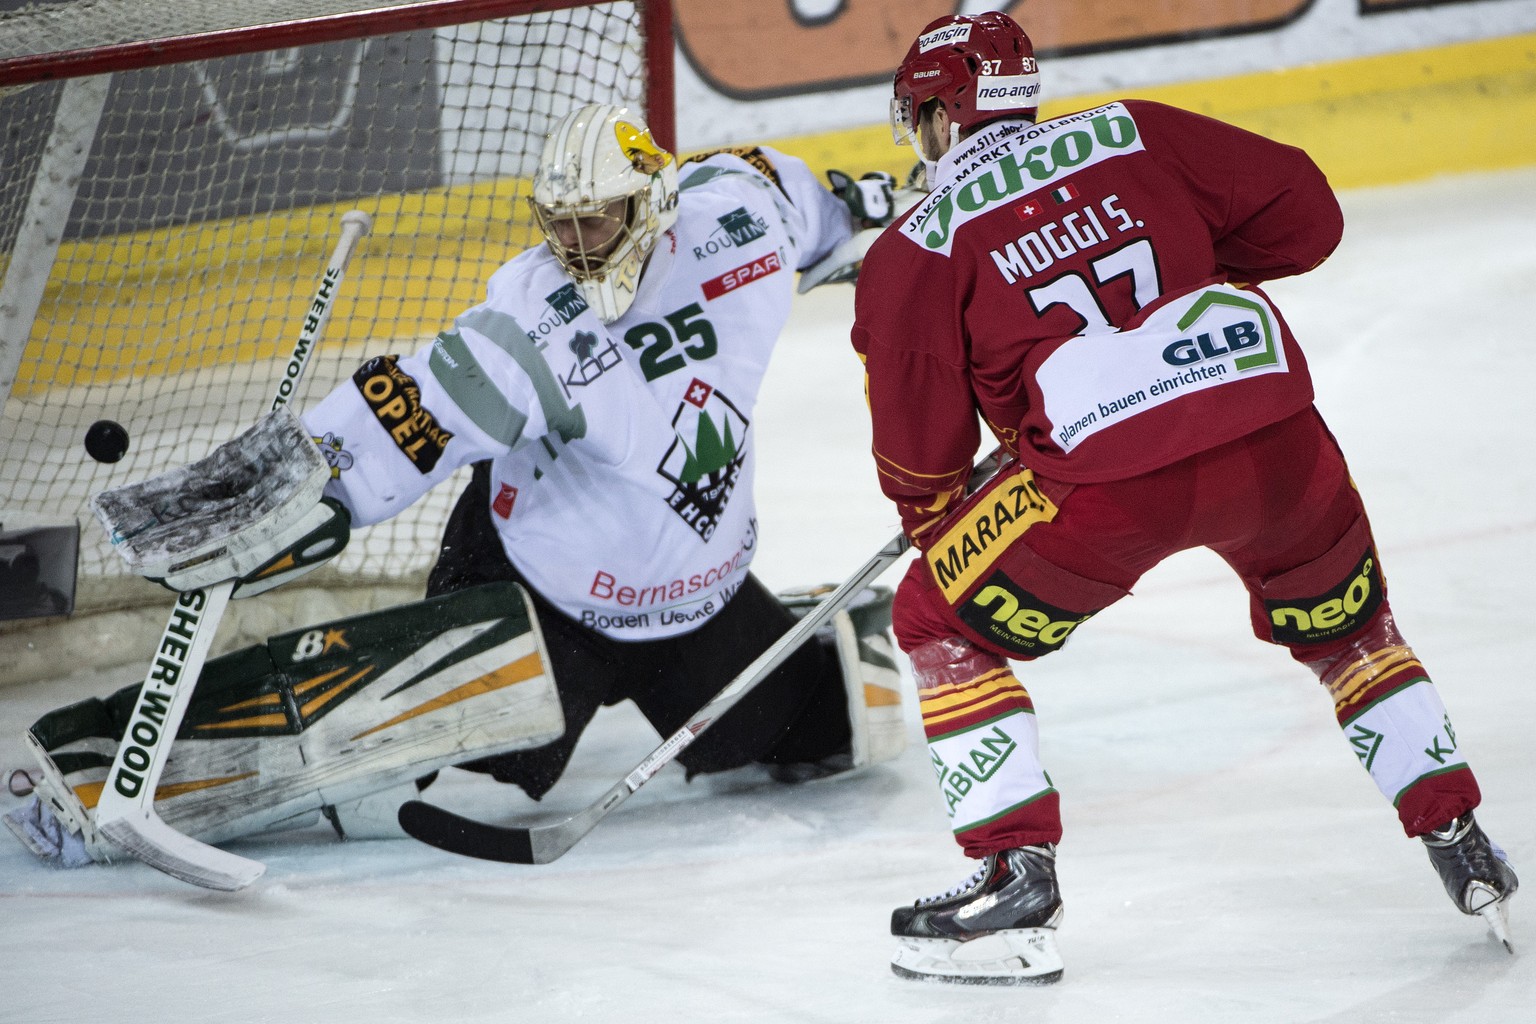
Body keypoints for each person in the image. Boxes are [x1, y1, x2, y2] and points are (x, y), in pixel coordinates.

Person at [7, 103, 907, 865]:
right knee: (391, 743)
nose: (573, 247)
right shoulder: (530, 316)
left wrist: (877, 213)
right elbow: (409, 412)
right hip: (541, 592)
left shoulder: (738, 219)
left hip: (695, 601)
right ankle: (97, 761)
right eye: (556, 223)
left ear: (654, 205)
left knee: (831, 728)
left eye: (594, 221)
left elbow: (818, 202)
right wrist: (296, 486)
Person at [850, 11, 1517, 985]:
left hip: (1105, 489)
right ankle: (1459, 836)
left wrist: (948, 518)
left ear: (945, 116)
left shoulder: (918, 244)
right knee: (1349, 626)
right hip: (1278, 440)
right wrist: (1171, 303)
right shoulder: (1137, 130)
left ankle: (1011, 879)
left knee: (934, 618)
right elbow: (1308, 215)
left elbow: (921, 461)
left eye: (920, 119)